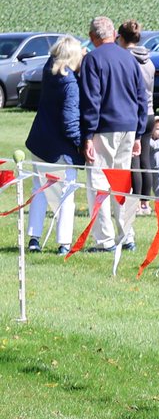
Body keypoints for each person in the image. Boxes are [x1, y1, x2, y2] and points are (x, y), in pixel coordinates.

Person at [78, 15, 148, 252]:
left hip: (103, 128)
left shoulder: (92, 59)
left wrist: (87, 135)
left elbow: (91, 100)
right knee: (122, 183)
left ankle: (105, 240)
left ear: (92, 37)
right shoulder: (129, 59)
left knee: (98, 182)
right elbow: (141, 98)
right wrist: (138, 133)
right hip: (128, 127)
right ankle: (127, 236)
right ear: (113, 34)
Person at [24, 36, 84, 255]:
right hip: (60, 148)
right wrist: (80, 144)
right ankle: (64, 242)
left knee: (39, 190)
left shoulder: (49, 71)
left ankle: (34, 238)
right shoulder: (70, 84)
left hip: (40, 142)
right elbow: (69, 123)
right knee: (66, 195)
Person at [117, 20, 156, 215]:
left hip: (134, 113)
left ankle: (136, 203)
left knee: (133, 160)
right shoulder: (149, 60)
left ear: (121, 37)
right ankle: (145, 203)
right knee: (145, 160)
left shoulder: (125, 60)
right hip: (150, 112)